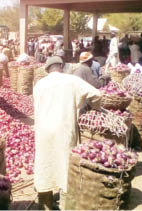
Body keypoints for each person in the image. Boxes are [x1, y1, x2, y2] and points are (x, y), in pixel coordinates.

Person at [33, 56, 101, 210]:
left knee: (44, 162)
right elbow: (97, 94)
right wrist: (94, 109)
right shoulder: (71, 81)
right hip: (63, 128)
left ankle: (45, 202)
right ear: (62, 66)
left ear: (47, 69)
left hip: (43, 130)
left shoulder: (39, 85)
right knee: (64, 163)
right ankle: (65, 204)